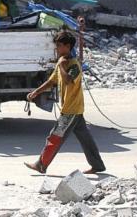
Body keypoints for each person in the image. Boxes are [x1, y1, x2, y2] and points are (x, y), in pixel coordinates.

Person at [24, 28, 106, 175]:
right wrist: (36, 92)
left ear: (68, 46)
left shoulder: (74, 64)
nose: (57, 49)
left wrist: (61, 65)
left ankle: (41, 165)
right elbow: (52, 81)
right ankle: (97, 165)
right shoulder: (61, 63)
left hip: (71, 109)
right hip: (74, 109)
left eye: (59, 46)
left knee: (55, 136)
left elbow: (68, 80)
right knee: (85, 138)